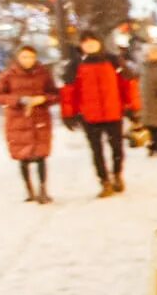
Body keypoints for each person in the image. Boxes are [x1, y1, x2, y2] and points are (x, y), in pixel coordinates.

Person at [59, 34, 138, 197]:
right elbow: (69, 92)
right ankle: (104, 181)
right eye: (85, 43)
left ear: (99, 43)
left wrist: (133, 107)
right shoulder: (75, 65)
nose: (89, 46)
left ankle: (117, 174)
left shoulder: (113, 61)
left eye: (92, 42)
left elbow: (128, 84)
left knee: (117, 148)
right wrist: (69, 114)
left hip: (113, 112)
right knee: (96, 150)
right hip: (90, 115)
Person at [0, 44, 58, 203]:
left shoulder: (43, 74)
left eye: (31, 57)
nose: (28, 60)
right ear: (18, 58)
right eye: (24, 57)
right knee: (23, 156)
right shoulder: (8, 75)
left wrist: (43, 99)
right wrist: (17, 100)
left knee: (41, 155)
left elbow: (55, 94)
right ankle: (29, 190)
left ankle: (43, 189)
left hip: (39, 118)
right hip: (18, 120)